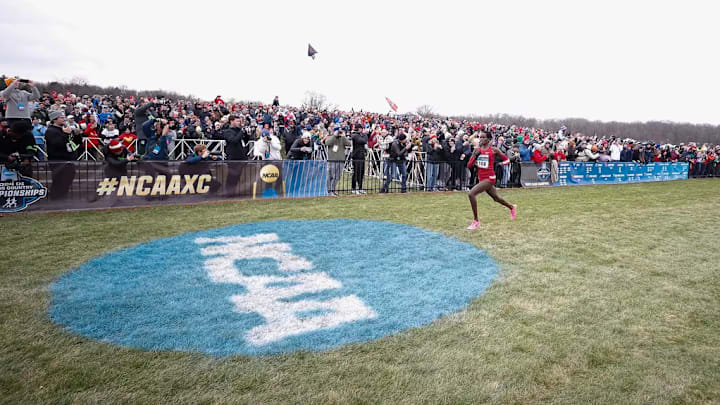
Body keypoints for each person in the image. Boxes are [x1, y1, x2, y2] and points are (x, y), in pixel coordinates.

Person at [466, 131, 517, 230]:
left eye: (483, 137)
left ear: (488, 140)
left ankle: (476, 221)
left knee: (471, 194)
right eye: (480, 137)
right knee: (496, 198)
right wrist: (475, 156)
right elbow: (469, 165)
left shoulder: (494, 150)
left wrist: (501, 164)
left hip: (490, 178)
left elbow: (506, 159)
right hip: (481, 178)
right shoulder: (477, 150)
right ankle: (512, 207)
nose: (480, 139)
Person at [325, 129, 351, 195]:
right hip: (332, 160)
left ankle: (333, 189)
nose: (339, 133)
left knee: (337, 176)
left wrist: (344, 136)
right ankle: (329, 190)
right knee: (331, 176)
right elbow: (327, 143)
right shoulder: (330, 137)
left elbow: (349, 144)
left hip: (341, 160)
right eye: (338, 132)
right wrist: (334, 135)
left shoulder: (342, 138)